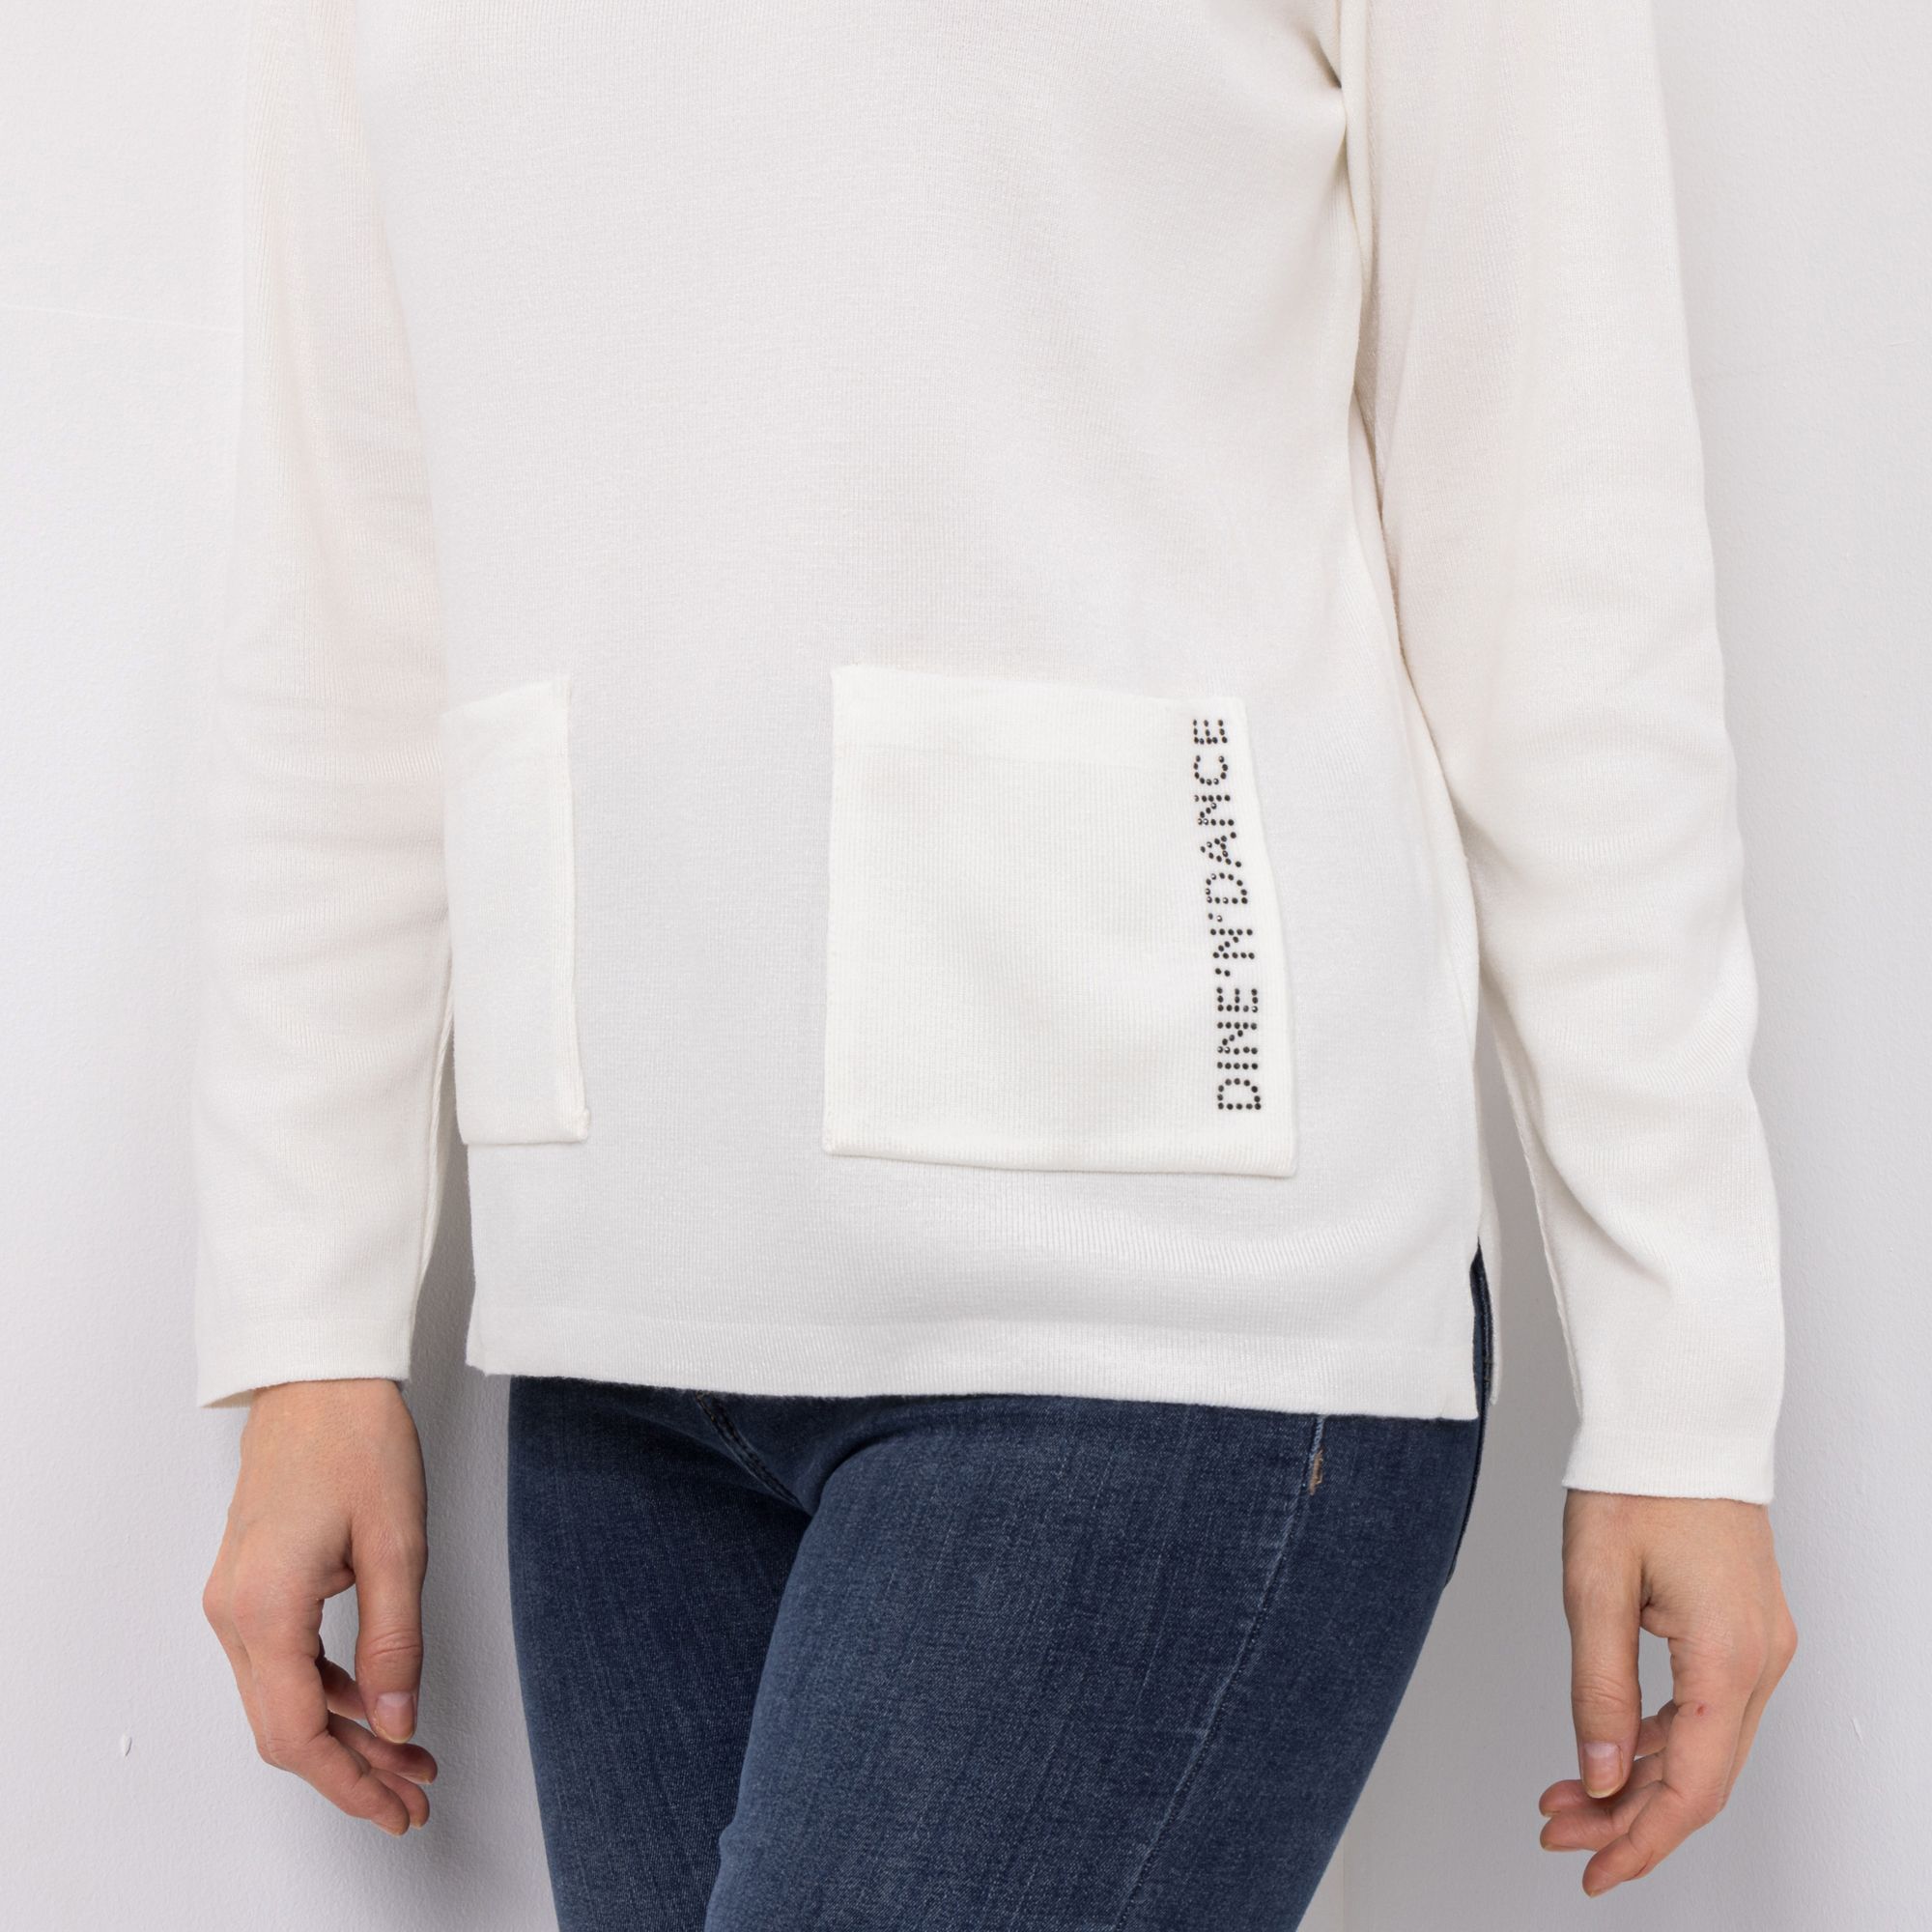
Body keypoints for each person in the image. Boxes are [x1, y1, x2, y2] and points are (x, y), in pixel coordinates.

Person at [192, 1, 1797, 1924]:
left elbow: (1555, 553)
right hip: (619, 1305)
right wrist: (303, 1324)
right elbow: (348, 586)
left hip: (1164, 1280)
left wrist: (1683, 1375)